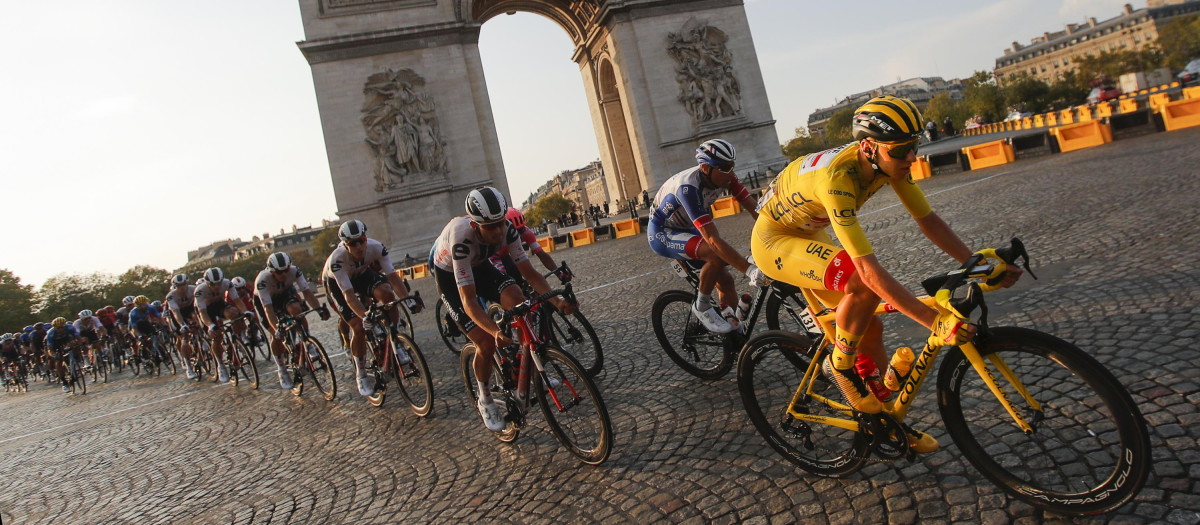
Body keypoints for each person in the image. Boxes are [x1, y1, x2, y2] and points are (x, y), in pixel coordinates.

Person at [750, 95, 1021, 453]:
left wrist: (977, 263)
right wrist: (932, 321)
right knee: (862, 285)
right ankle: (840, 366)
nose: (912, 157)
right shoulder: (838, 180)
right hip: (775, 239)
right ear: (869, 147)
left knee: (870, 326)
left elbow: (927, 220)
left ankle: (882, 419)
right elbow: (868, 271)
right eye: (902, 150)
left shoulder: (885, 161)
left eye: (915, 146)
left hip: (806, 229)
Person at [431, 187, 575, 432]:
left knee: (518, 300)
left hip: (481, 263)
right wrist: (494, 331)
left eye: (500, 223)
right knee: (485, 343)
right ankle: (485, 397)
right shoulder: (461, 239)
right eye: (491, 227)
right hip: (448, 274)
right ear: (476, 226)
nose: (498, 231)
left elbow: (529, 274)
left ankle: (527, 366)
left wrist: (556, 302)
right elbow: (468, 301)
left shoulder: (506, 229)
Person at [647, 138, 767, 334]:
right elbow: (712, 239)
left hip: (687, 228)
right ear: (705, 168)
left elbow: (753, 207)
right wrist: (750, 270)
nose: (731, 172)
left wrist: (773, 229)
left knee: (726, 281)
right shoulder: (687, 188)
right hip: (662, 232)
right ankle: (701, 305)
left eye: (732, 165)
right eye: (725, 167)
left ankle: (736, 333)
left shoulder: (725, 177)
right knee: (715, 253)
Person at [321, 220, 420, 398]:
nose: (359, 246)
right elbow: (349, 296)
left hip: (361, 275)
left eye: (362, 240)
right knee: (358, 327)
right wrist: (364, 316)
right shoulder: (337, 259)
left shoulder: (377, 247)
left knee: (387, 294)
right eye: (353, 243)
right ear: (345, 245)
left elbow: (393, 278)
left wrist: (407, 300)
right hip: (338, 285)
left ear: (366, 238)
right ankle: (361, 373)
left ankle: (394, 337)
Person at [254, 252, 330, 389]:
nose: (283, 274)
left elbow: (307, 293)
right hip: (267, 302)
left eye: (286, 270)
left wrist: (319, 309)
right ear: (271, 271)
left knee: (297, 310)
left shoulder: (295, 271)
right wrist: (276, 329)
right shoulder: (262, 280)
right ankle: (281, 369)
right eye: (279, 272)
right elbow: (268, 309)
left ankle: (308, 343)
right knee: (275, 335)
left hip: (284, 294)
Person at [194, 268, 250, 383]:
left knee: (234, 313)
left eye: (219, 283)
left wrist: (246, 311)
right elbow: (203, 313)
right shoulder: (200, 290)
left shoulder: (227, 283)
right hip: (206, 310)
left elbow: (237, 301)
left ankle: (236, 339)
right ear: (207, 283)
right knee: (217, 337)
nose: (217, 287)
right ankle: (220, 365)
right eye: (214, 284)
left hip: (219, 305)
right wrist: (210, 325)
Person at [165, 273, 201, 379]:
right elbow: (176, 313)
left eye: (184, 284)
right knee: (184, 337)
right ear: (175, 287)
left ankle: (202, 340)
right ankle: (188, 365)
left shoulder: (194, 289)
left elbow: (198, 306)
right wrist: (182, 325)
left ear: (187, 283)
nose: (182, 288)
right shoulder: (171, 296)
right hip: (178, 314)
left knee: (196, 318)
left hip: (190, 310)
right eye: (179, 286)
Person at [44, 317, 81, 393]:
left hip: (66, 338)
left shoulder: (70, 327)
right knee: (58, 362)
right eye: (58, 328)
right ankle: (64, 382)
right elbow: (50, 349)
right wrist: (54, 355)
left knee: (75, 345)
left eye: (62, 327)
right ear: (55, 328)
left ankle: (76, 361)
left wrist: (80, 343)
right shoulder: (51, 333)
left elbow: (77, 337)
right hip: (55, 343)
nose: (60, 329)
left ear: (65, 326)